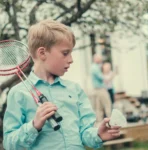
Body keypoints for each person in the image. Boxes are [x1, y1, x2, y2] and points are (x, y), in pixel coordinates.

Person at [3, 19, 120, 150]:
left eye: (71, 53)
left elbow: (85, 132)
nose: (71, 60)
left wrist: (98, 134)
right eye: (65, 53)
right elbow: (9, 143)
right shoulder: (19, 93)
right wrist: (34, 125)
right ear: (42, 53)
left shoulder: (75, 90)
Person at [91, 54, 112, 124]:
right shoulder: (95, 67)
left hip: (96, 90)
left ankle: (100, 123)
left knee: (99, 107)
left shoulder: (95, 67)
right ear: (95, 59)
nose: (101, 60)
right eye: (99, 58)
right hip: (100, 89)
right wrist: (109, 77)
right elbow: (103, 78)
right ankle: (111, 121)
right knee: (107, 104)